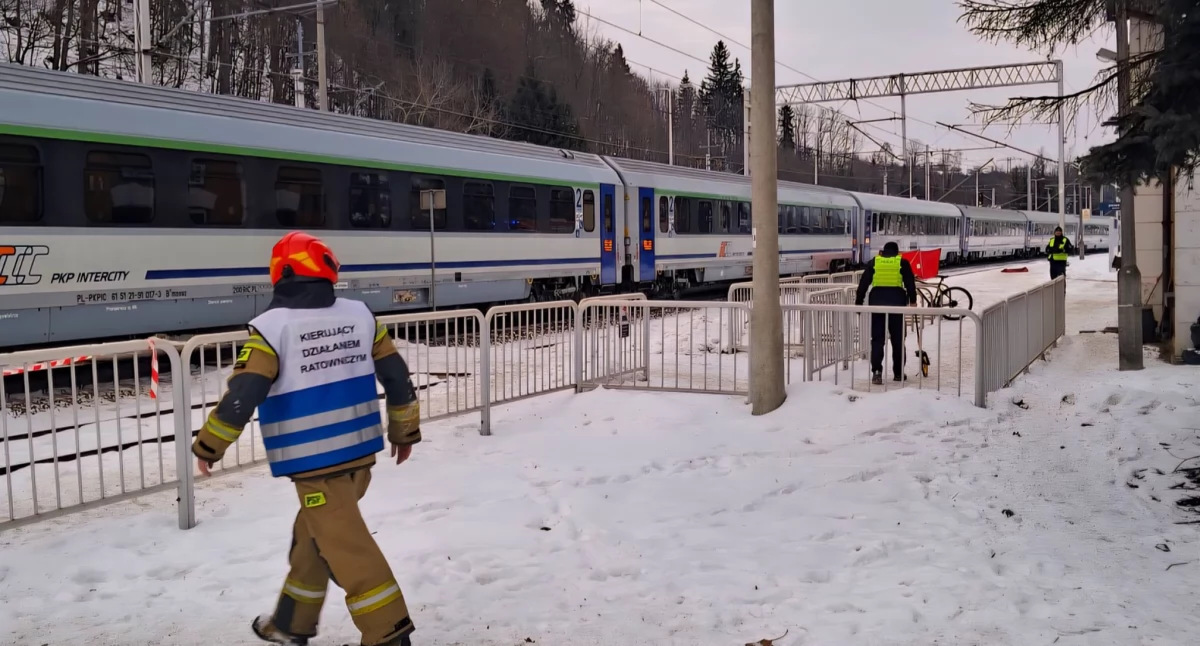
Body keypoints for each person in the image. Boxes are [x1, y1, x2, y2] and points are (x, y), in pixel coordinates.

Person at [191, 231, 422, 646]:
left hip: (315, 465)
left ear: (281, 273)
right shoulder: (360, 315)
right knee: (313, 541)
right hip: (358, 457)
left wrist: (209, 445)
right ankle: (290, 624)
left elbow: (245, 393)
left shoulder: (272, 328)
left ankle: (389, 633)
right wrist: (404, 431)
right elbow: (396, 376)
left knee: (348, 549)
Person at [855, 241, 918, 385]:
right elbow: (910, 283)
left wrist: (858, 303)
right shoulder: (902, 262)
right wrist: (913, 301)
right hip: (897, 305)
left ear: (883, 251)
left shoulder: (874, 262)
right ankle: (898, 373)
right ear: (897, 252)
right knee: (898, 341)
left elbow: (863, 283)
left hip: (877, 305)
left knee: (877, 340)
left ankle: (877, 372)